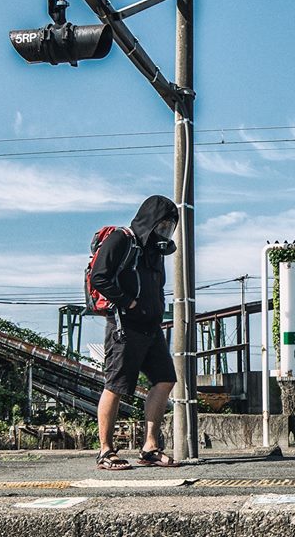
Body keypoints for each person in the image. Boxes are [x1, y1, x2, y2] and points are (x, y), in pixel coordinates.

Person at [89, 195, 181, 470]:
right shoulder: (121, 239)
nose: (165, 231)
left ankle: (150, 448)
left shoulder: (155, 251)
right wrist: (127, 301)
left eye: (169, 226)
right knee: (116, 386)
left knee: (165, 379)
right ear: (150, 220)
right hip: (123, 327)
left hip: (151, 328)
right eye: (162, 224)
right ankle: (106, 451)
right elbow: (99, 276)